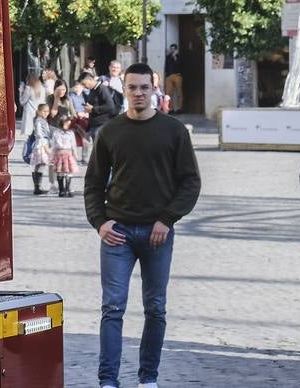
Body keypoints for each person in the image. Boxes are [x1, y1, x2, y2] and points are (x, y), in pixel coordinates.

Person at [85, 62, 201, 388]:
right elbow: (93, 184)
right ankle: (108, 381)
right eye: (132, 87)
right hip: (116, 234)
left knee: (156, 309)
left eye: (144, 88)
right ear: (124, 88)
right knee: (112, 308)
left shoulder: (173, 131)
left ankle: (147, 379)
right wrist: (99, 222)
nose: (138, 93)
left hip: (157, 234)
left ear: (154, 89)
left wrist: (167, 218)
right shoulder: (110, 132)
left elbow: (190, 182)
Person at [85, 69, 118, 150]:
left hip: (102, 124)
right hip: (94, 123)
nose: (84, 86)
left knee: (101, 149)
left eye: (84, 83)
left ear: (90, 79)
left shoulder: (102, 88)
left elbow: (110, 106)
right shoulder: (92, 90)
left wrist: (93, 109)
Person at [50, 114, 78, 197]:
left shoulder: (71, 133)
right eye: (66, 123)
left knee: (69, 171)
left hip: (69, 154)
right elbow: (54, 145)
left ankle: (67, 189)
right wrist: (51, 156)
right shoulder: (56, 133)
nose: (67, 125)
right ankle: (61, 190)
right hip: (59, 153)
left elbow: (73, 144)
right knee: (60, 172)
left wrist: (75, 154)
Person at [29, 102, 53, 196]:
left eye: (47, 111)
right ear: (39, 111)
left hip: (42, 144)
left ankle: (37, 187)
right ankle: (37, 187)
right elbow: (39, 134)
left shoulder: (43, 120)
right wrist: (45, 146)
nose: (46, 113)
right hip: (41, 145)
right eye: (44, 111)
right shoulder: (39, 121)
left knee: (39, 165)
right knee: (41, 164)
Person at [19, 73, 42, 139]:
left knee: (29, 138)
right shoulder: (41, 88)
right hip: (38, 113)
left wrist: (21, 91)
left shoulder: (28, 89)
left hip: (29, 115)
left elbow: (22, 101)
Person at [163, 43, 182, 113]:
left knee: (179, 93)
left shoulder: (179, 56)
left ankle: (179, 108)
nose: (172, 50)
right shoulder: (168, 57)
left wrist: (175, 57)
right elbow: (166, 66)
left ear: (176, 50)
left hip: (177, 75)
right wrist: (166, 75)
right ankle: (171, 109)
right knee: (168, 93)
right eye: (171, 49)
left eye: (174, 49)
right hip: (169, 76)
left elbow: (180, 64)